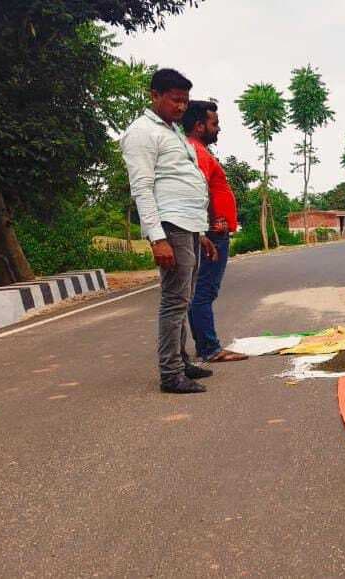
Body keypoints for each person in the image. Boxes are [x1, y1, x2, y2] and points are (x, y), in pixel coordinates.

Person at [121, 69, 217, 394]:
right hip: (170, 225)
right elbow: (143, 187)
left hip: (188, 224)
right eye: (175, 99)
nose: (181, 107)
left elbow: (180, 179)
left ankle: (182, 359)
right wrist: (157, 237)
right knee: (174, 300)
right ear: (154, 96)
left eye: (185, 101)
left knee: (185, 297)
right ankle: (170, 373)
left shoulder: (172, 131)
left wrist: (200, 231)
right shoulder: (142, 133)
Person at [182, 100, 247, 364]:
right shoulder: (197, 152)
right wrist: (205, 228)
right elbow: (199, 191)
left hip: (212, 231)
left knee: (201, 291)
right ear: (199, 126)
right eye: (214, 124)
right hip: (212, 233)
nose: (218, 129)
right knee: (204, 292)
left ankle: (205, 346)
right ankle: (209, 348)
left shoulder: (199, 151)